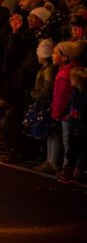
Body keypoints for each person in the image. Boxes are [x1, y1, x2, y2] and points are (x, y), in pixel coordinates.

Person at [51, 40, 86, 181]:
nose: (52, 56)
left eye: (55, 53)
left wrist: (56, 113)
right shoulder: (73, 70)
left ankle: (68, 170)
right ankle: (77, 170)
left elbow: (62, 97)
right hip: (72, 115)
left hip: (68, 116)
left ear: (65, 57)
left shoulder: (66, 74)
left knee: (69, 144)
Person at [59, 66, 87, 183]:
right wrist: (65, 113)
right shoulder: (74, 92)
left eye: (71, 77)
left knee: (78, 151)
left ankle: (75, 172)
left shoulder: (83, 95)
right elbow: (70, 105)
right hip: (74, 126)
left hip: (81, 127)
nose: (69, 79)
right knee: (72, 150)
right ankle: (71, 171)